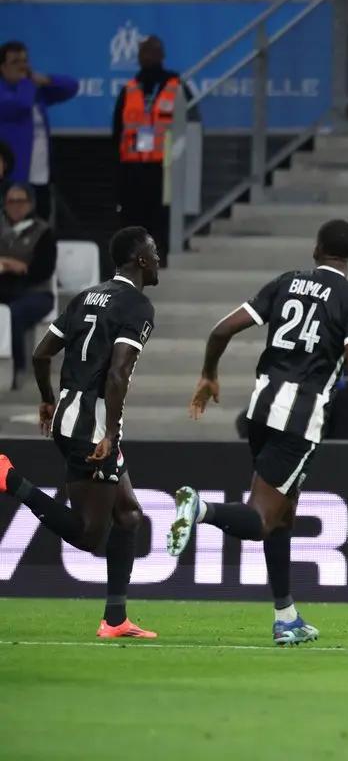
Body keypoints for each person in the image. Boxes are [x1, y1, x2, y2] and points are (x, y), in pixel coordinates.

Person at [169, 219, 348, 645]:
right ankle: (201, 510)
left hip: (261, 409)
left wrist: (209, 374)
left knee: (283, 514)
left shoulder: (285, 283)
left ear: (315, 249)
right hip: (300, 418)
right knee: (265, 517)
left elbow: (221, 329)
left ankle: (286, 617)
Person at [1, 227, 160, 639]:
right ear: (140, 260)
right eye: (154, 252)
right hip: (93, 428)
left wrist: (48, 399)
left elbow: (40, 354)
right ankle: (10, 480)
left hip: (70, 417)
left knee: (128, 515)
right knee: (90, 536)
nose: (159, 258)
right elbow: (118, 373)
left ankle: (115, 619)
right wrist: (109, 431)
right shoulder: (137, 305)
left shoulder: (86, 296)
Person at [111, 36, 184, 267]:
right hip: (133, 168)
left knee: (161, 217)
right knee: (132, 220)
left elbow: (190, 125)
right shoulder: (130, 88)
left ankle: (161, 259)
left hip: (165, 167)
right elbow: (117, 132)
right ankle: (133, 262)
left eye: (153, 51)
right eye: (144, 52)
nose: (148, 56)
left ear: (162, 55)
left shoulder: (176, 86)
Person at [0, 40, 78, 219]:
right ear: (2, 68)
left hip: (40, 174)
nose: (23, 67)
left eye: (25, 61)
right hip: (14, 176)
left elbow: (71, 87)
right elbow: (22, 105)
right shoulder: (8, 92)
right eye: (15, 62)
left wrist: (46, 80)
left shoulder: (31, 90)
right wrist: (27, 82)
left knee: (40, 224)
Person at [0, 182, 56, 387]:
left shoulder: (42, 232)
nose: (15, 206)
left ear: (30, 204)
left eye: (20, 201)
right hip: (4, 289)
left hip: (36, 292)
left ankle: (18, 368)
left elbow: (44, 270)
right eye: (11, 201)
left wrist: (20, 268)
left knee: (14, 313)